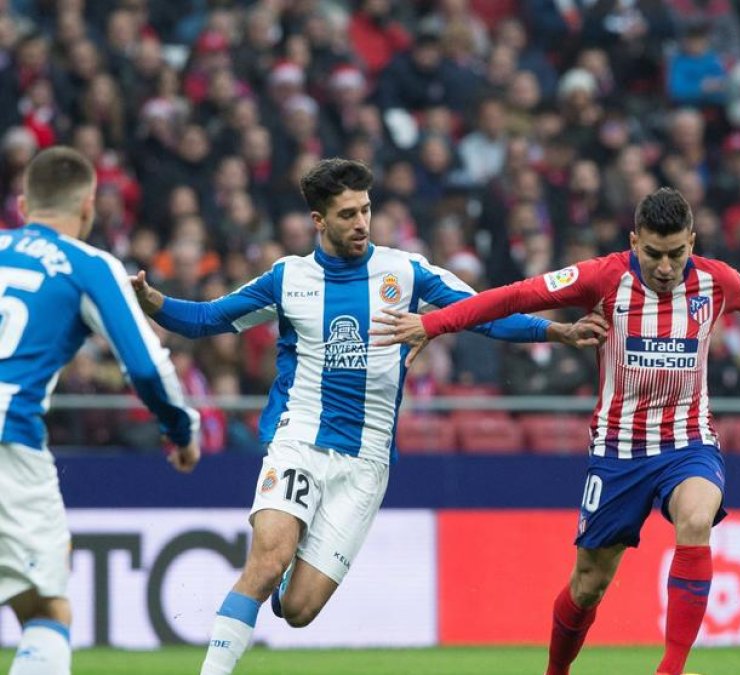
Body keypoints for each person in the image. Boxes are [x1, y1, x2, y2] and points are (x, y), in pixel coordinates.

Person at [128, 158, 604, 675]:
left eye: (366, 210)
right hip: (301, 441)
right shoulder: (289, 279)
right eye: (348, 213)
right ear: (319, 220)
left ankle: (287, 583)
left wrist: (556, 331)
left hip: (367, 462)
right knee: (267, 560)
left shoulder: (405, 271)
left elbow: (483, 314)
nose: (361, 223)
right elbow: (207, 319)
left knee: (299, 611)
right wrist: (156, 304)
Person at [373, 187, 740, 675]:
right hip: (617, 451)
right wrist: (435, 323)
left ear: (693, 242)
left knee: (696, 520)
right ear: (634, 240)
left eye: (677, 253)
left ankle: (670, 669)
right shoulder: (605, 277)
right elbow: (517, 296)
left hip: (688, 443)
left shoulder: (718, 282)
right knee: (588, 584)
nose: (666, 267)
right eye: (653, 253)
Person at [0, 146, 201, 675]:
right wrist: (182, 430)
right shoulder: (88, 265)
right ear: (88, 207)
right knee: (45, 608)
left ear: (23, 205)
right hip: (7, 440)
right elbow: (146, 367)